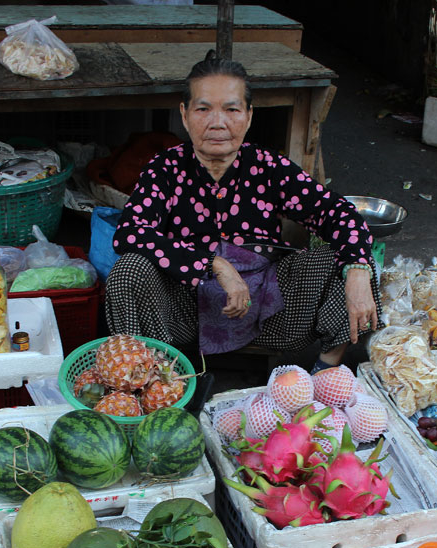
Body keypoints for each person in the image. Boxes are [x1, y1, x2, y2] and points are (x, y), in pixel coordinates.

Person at [104, 50, 380, 372]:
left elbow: (340, 214)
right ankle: (149, 381)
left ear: (249, 115)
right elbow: (130, 233)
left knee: (354, 259)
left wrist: (357, 272)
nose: (217, 122)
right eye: (203, 109)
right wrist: (212, 263)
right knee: (128, 271)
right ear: (184, 114)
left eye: (231, 109)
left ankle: (324, 374)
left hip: (269, 309)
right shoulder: (166, 167)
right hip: (183, 311)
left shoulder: (269, 167)